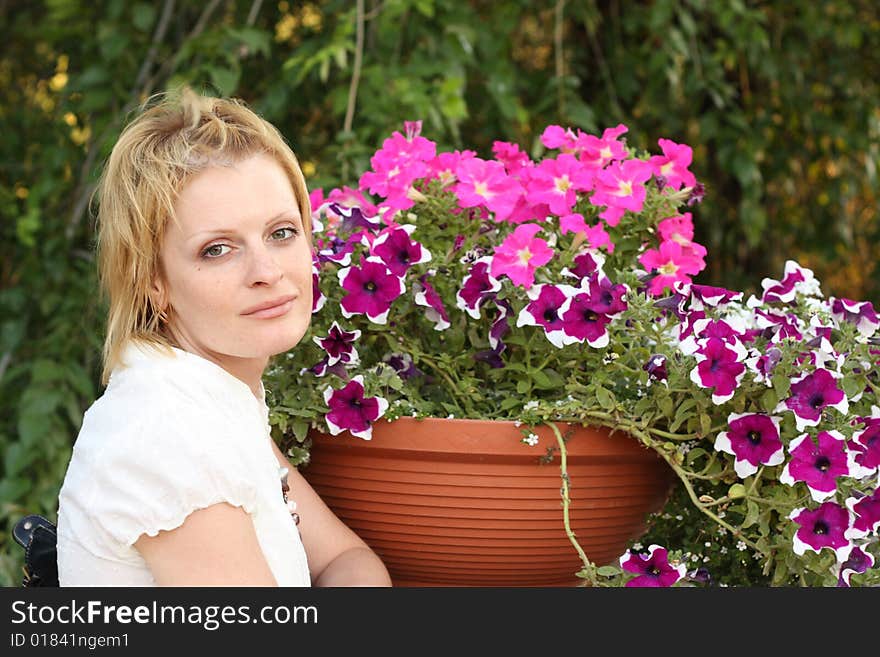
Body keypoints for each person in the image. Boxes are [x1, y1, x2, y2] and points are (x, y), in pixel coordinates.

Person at [56, 87, 392, 587]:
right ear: (154, 281)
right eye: (217, 249)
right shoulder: (167, 434)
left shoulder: (212, 398)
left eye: (281, 232)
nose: (267, 271)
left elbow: (348, 561)